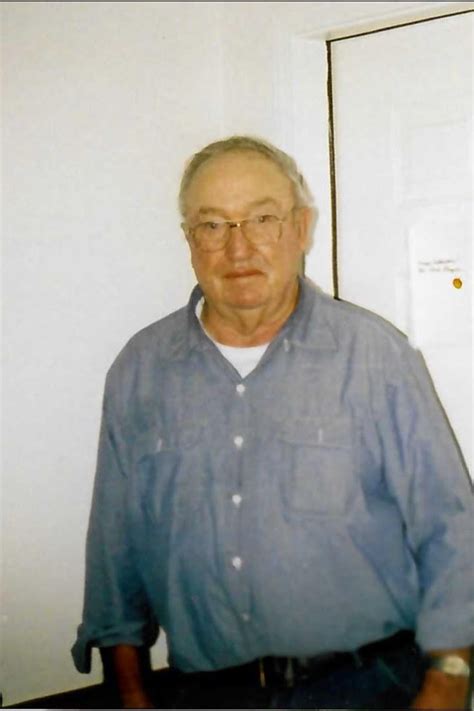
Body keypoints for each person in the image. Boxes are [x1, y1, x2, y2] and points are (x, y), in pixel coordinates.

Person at [72, 135, 473, 709]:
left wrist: (450, 679)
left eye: (262, 219)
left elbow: (450, 525)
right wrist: (131, 694)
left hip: (368, 687)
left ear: (302, 228)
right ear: (189, 240)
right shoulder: (140, 372)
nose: (238, 248)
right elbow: (114, 551)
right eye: (213, 225)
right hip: (209, 696)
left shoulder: (374, 356)